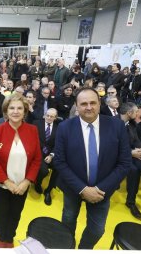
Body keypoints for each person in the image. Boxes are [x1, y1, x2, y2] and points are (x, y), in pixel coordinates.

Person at [53, 87, 131, 249]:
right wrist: (82, 189)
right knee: (68, 222)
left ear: (99, 103)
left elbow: (124, 163)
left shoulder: (117, 126)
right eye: (84, 104)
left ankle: (83, 250)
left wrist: (99, 189)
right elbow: (60, 162)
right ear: (77, 106)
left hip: (102, 191)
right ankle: (67, 249)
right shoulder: (65, 127)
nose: (89, 107)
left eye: (93, 103)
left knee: (97, 230)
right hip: (73, 188)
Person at [0, 94, 41, 248]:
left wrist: (27, 181)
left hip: (22, 185)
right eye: (12, 108)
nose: (15, 111)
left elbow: (37, 159)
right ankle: (2, 238)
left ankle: (9, 238)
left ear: (25, 111)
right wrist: (7, 182)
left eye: (19, 108)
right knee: (1, 214)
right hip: (1, 184)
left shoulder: (32, 130)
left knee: (15, 214)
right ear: (6, 111)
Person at [33, 108, 60, 205]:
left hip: (50, 154)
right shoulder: (36, 124)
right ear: (44, 115)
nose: (49, 118)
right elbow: (33, 139)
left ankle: (48, 190)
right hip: (38, 153)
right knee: (44, 171)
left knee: (59, 167)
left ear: (55, 118)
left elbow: (58, 144)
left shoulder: (58, 128)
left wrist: (51, 155)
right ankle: (37, 183)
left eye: (51, 116)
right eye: (47, 115)